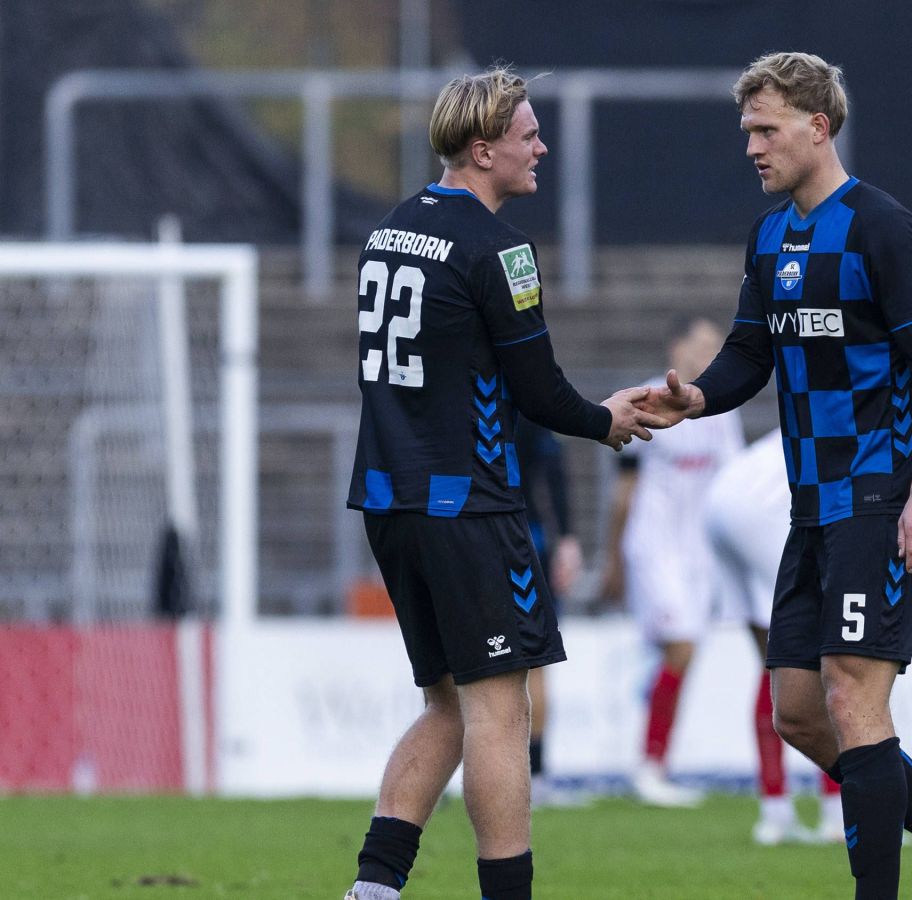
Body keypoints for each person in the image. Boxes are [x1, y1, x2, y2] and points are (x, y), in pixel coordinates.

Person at [637, 51, 912, 900]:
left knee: (853, 701)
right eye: (747, 130)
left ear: (819, 127)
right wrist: (696, 397)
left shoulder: (883, 226)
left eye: (766, 129)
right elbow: (749, 353)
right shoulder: (771, 234)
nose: (751, 147)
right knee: (801, 715)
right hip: (808, 508)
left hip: (879, 498)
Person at [342, 65, 664, 900]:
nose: (541, 148)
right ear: (482, 150)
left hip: (387, 499)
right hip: (467, 506)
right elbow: (538, 392)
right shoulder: (499, 248)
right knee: (498, 710)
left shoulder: (391, 229)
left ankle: (373, 891)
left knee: (448, 704)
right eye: (527, 135)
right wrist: (609, 420)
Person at [598, 317, 745, 808]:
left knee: (681, 653)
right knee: (679, 647)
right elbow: (625, 491)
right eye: (701, 344)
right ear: (676, 346)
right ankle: (650, 764)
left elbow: (732, 483)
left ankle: (657, 755)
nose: (709, 354)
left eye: (716, 347)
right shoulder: (649, 402)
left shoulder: (723, 413)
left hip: (700, 553)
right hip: (654, 546)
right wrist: (614, 557)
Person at [703, 427, 846, 845]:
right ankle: (837, 812)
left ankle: (774, 809)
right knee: (828, 661)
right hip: (762, 508)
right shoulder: (901, 417)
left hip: (721, 500)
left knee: (771, 664)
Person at [510, 420, 587, 808]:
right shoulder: (526, 402)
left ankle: (462, 769)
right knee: (534, 662)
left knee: (467, 662)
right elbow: (553, 473)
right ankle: (535, 776)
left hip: (465, 533)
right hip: (522, 538)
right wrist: (568, 539)